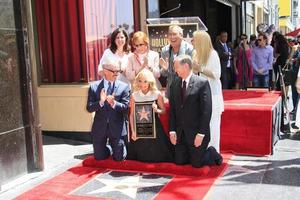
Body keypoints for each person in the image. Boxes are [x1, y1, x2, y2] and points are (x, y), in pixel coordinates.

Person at [169, 54, 223, 168]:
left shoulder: (202, 83)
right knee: (179, 162)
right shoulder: (174, 84)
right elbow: (172, 109)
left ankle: (211, 152)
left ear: (186, 66)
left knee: (196, 164)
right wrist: (172, 131)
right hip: (181, 133)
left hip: (196, 133)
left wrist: (201, 134)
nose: (175, 70)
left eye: (177, 67)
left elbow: (206, 111)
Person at [87, 59, 130, 161]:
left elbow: (126, 108)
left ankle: (119, 148)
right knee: (99, 157)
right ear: (105, 70)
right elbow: (89, 108)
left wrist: (114, 103)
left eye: (118, 71)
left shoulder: (124, 87)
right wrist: (101, 102)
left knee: (119, 158)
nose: (116, 74)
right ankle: (109, 148)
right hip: (100, 128)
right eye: (113, 71)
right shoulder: (94, 87)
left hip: (117, 128)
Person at [127, 69, 174, 162]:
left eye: (145, 81)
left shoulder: (157, 94)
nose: (142, 84)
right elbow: (132, 115)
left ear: (150, 82)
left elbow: (164, 111)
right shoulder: (134, 96)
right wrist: (133, 131)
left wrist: (157, 110)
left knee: (159, 157)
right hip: (139, 130)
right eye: (140, 81)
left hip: (155, 129)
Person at [192, 31, 224, 153]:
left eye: (194, 39)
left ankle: (214, 151)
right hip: (200, 93)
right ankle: (203, 150)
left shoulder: (213, 54)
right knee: (202, 121)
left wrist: (200, 68)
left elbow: (217, 74)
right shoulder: (195, 54)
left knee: (213, 123)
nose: (192, 42)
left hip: (213, 93)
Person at [159, 24, 193, 97]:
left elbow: (193, 71)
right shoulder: (165, 50)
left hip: (186, 88)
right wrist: (165, 69)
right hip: (171, 90)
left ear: (181, 35)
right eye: (170, 34)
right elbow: (163, 74)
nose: (172, 37)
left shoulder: (189, 49)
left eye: (174, 34)